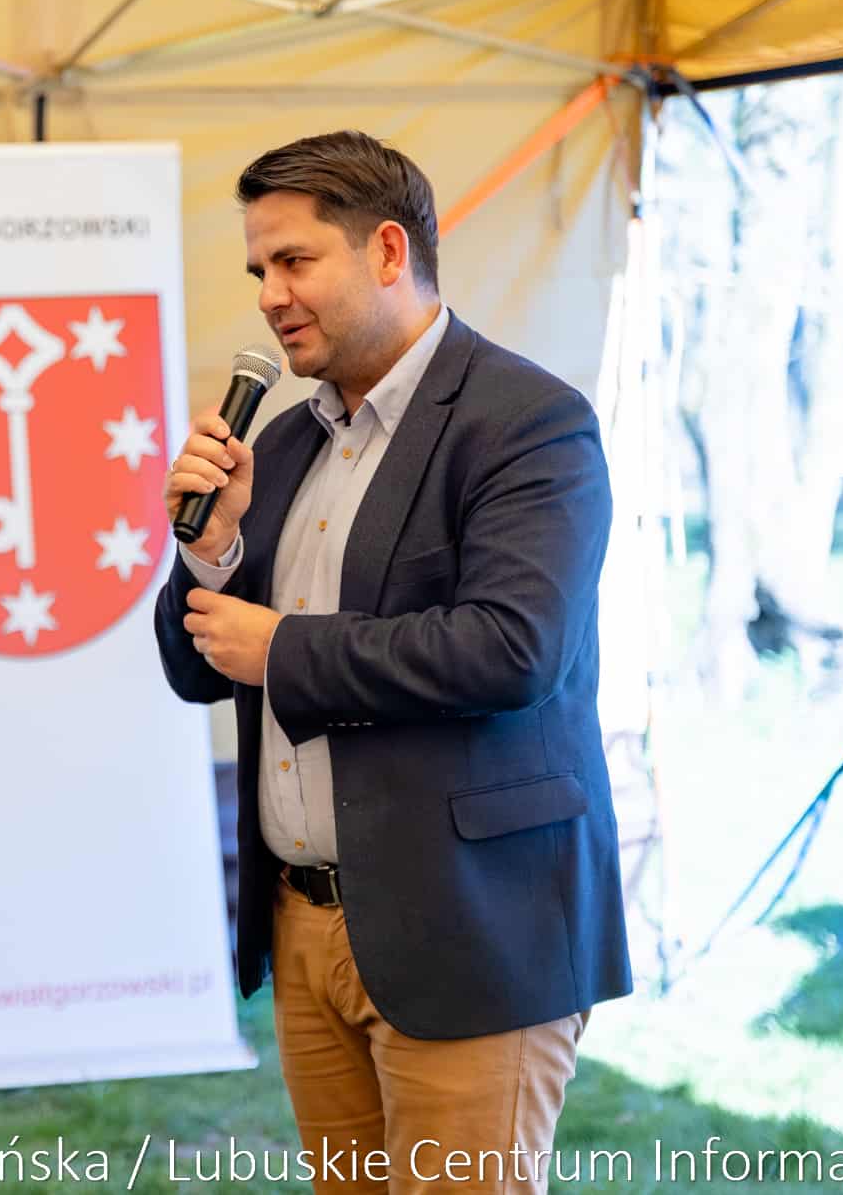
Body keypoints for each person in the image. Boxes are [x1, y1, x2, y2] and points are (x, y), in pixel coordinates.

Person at [153, 130, 631, 1193]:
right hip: (307, 924)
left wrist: (282, 646)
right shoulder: (278, 445)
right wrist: (212, 553)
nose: (269, 296)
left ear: (382, 250)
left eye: (292, 261)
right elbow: (197, 670)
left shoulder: (526, 424)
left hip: (470, 924)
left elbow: (513, 649)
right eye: (257, 271)